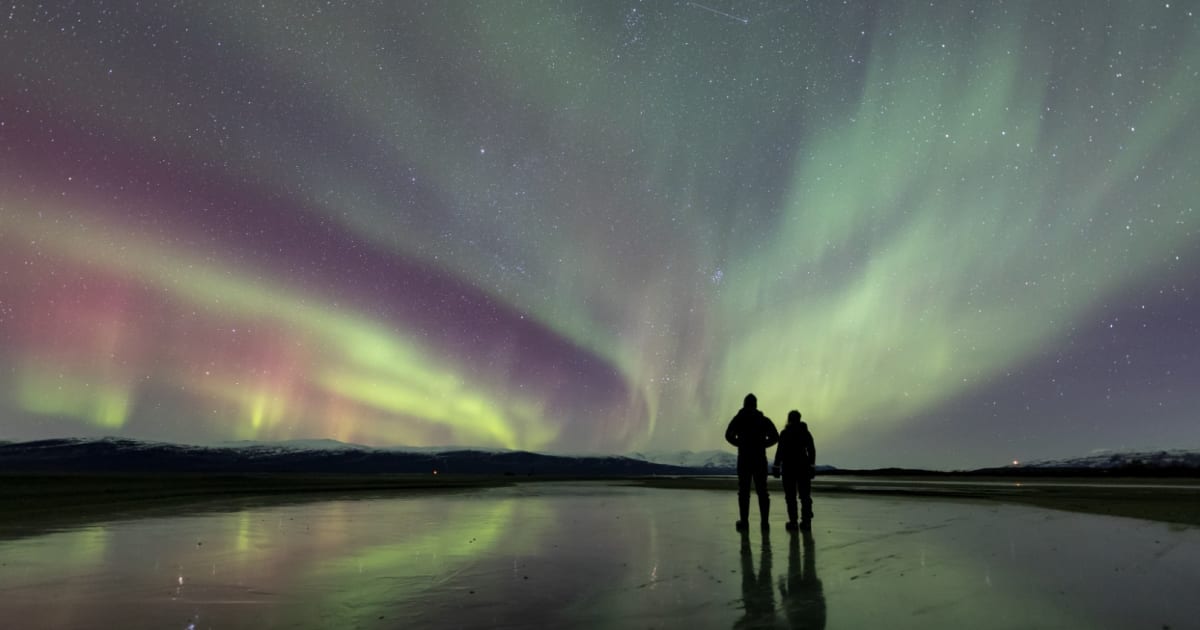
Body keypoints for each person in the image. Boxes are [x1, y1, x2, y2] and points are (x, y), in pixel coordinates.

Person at [725, 393, 779, 531]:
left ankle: (744, 523)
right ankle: (765, 524)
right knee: (762, 491)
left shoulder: (739, 419)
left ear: (744, 404)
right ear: (756, 404)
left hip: (744, 459)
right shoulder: (763, 420)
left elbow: (728, 435)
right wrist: (763, 445)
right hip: (760, 459)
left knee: (744, 492)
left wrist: (740, 443)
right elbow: (775, 437)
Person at [772, 410, 816, 531]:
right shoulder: (805, 432)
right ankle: (806, 522)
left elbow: (779, 451)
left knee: (791, 497)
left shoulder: (785, 433)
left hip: (789, 468)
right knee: (805, 496)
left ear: (789, 419)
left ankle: (793, 522)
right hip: (803, 467)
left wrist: (776, 466)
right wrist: (812, 466)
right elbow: (811, 450)